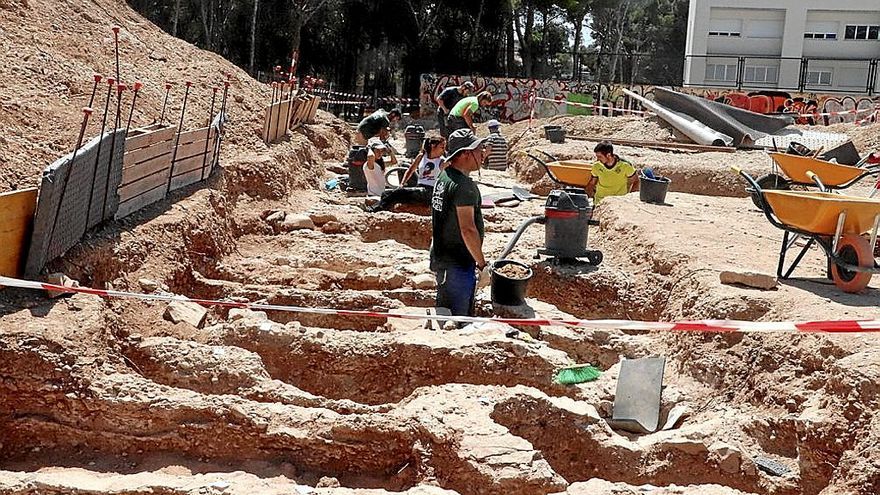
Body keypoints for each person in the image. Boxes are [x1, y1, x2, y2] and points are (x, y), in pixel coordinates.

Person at [430, 129, 491, 317]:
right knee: (457, 318)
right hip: (457, 264)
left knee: (446, 313)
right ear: (465, 153)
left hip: (443, 258)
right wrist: (482, 265)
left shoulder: (445, 176)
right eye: (479, 149)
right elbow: (467, 229)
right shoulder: (463, 187)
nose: (483, 154)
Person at [366, 135, 447, 212]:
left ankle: (376, 209)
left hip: (429, 191)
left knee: (396, 193)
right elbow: (410, 170)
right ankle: (380, 209)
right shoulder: (422, 156)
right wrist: (402, 184)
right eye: (442, 147)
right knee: (386, 193)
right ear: (433, 146)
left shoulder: (442, 161)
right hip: (420, 188)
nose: (444, 150)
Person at [587, 141, 638, 205]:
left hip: (618, 203)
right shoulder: (596, 166)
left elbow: (636, 181)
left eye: (600, 157)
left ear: (608, 155)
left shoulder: (625, 165)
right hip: (600, 203)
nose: (597, 159)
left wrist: (630, 198)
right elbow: (592, 183)